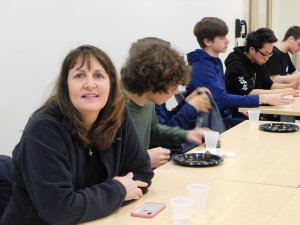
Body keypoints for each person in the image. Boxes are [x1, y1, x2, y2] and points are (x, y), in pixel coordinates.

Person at [1, 45, 153, 225]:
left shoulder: (118, 116)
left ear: (111, 84)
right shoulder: (43, 130)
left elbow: (142, 173)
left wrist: (88, 203)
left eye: (98, 75)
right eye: (79, 76)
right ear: (66, 85)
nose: (90, 84)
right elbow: (59, 210)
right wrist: (118, 190)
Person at [185, 17, 293, 127]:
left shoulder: (214, 62)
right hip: (206, 124)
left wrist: (236, 106)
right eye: (222, 38)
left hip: (220, 116)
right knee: (261, 128)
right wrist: (263, 98)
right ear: (207, 41)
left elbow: (221, 96)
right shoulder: (202, 67)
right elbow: (220, 100)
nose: (228, 40)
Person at [120, 37, 207, 169]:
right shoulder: (115, 108)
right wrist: (144, 158)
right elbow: (108, 163)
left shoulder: (148, 100)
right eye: (172, 85)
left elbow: (154, 131)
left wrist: (188, 134)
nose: (177, 91)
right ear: (152, 81)